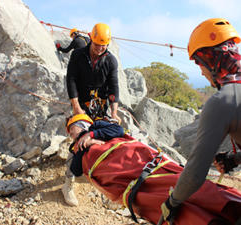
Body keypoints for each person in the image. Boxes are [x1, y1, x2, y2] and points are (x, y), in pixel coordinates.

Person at [66, 114, 241, 225]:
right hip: (120, 179)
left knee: (176, 182)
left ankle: (229, 206)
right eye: (70, 132)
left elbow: (117, 129)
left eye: (73, 128)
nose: (72, 133)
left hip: (137, 160)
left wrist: (92, 135)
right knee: (161, 203)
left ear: (82, 123)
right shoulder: (76, 150)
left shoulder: (99, 127)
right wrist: (81, 146)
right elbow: (76, 169)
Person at [160, 18, 241, 224]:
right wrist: (235, 159)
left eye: (199, 63)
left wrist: (172, 202)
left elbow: (195, 173)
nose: (201, 72)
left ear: (211, 60)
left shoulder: (223, 101)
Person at [62, 23, 121, 206]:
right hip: (81, 101)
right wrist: (76, 107)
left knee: (109, 136)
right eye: (97, 45)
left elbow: (113, 86)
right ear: (91, 39)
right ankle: (68, 182)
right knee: (79, 136)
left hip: (100, 105)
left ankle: (98, 175)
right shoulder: (79, 55)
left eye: (103, 46)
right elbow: (70, 79)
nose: (100, 49)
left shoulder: (110, 61)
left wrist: (114, 112)